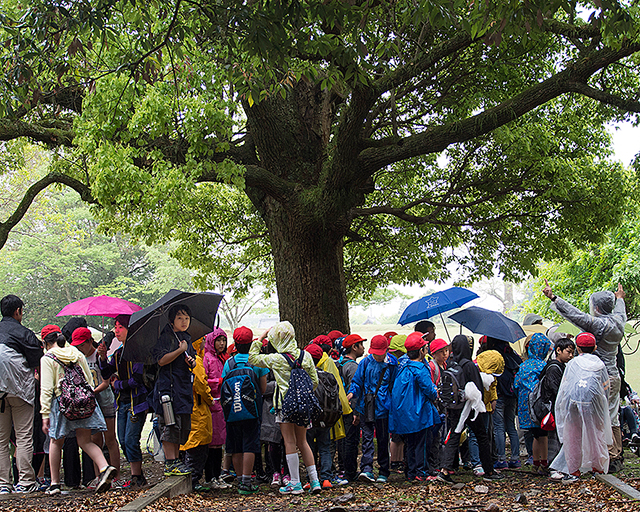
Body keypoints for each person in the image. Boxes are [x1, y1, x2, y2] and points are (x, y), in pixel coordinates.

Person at [543, 280, 626, 472]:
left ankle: (601, 456)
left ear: (596, 307)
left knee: (596, 418)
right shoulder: (618, 321)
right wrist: (619, 299)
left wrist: (555, 298)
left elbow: (576, 316)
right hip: (613, 375)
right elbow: (620, 310)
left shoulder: (600, 326)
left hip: (596, 377)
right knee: (612, 416)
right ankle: (614, 455)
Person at [40, 326, 116, 494]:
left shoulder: (47, 358)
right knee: (85, 441)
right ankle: (104, 467)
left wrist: (45, 414)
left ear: (46, 343)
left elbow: (46, 389)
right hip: (83, 402)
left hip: (61, 403)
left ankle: (54, 484)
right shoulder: (77, 354)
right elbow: (89, 381)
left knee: (56, 441)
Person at [249, 321, 320, 495]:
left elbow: (252, 358)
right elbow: (315, 381)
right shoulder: (306, 356)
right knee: (303, 442)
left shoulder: (276, 359)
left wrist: (260, 339)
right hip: (303, 406)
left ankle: (295, 482)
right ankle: (315, 480)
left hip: (284, 407)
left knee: (289, 442)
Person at [437, 335, 504, 484]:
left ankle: (445, 470)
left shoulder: (451, 362)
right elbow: (478, 387)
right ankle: (489, 470)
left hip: (455, 406)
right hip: (469, 408)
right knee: (482, 436)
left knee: (454, 436)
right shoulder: (468, 365)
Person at [549, 332, 612, 482]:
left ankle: (573, 469)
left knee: (573, 435)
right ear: (595, 347)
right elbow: (606, 386)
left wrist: (562, 407)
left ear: (577, 347)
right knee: (596, 433)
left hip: (573, 404)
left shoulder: (572, 364)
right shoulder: (600, 364)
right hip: (593, 403)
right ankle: (598, 467)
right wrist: (603, 404)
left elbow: (565, 386)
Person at [98, 314, 149, 487]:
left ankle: (136, 477)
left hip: (137, 403)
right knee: (122, 441)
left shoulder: (139, 352)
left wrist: (117, 384)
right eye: (115, 326)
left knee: (131, 439)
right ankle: (138, 473)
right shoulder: (118, 353)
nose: (117, 330)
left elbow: (137, 379)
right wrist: (103, 358)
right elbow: (106, 373)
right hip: (122, 403)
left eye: (121, 327)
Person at [0, 294, 43, 494]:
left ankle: (3, 484)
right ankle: (26, 481)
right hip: (20, 391)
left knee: (1, 438)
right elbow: (38, 363)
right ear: (18, 311)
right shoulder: (25, 333)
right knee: (24, 436)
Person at [70, 328, 123, 488]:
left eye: (81, 345)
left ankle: (116, 476)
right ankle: (99, 476)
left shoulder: (99, 355)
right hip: (89, 403)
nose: (79, 348)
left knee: (110, 439)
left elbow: (106, 381)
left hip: (104, 399)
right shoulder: (78, 358)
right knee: (95, 439)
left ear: (88, 342)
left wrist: (92, 391)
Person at [222, 326, 268, 494]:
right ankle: (247, 483)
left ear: (235, 343)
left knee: (235, 445)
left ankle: (240, 479)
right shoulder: (257, 361)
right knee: (250, 444)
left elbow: (223, 385)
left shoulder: (229, 363)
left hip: (232, 411)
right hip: (252, 410)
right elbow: (262, 388)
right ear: (251, 343)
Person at [151, 304, 196, 477]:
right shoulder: (166, 338)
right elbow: (161, 360)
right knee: (170, 424)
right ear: (172, 320)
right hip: (168, 390)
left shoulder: (187, 338)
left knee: (181, 426)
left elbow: (193, 360)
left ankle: (177, 459)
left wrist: (191, 361)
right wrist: (179, 351)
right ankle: (170, 462)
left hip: (183, 388)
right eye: (179, 318)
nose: (184, 321)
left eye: (186, 318)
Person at [346, 334, 397, 484]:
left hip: (384, 407)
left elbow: (394, 385)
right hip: (366, 406)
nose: (378, 356)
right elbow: (357, 381)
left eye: (380, 353)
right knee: (367, 438)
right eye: (375, 353)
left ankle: (383, 470)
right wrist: (352, 393)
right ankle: (366, 469)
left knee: (382, 439)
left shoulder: (392, 364)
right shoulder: (366, 363)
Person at [389, 333, 440, 481]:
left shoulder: (403, 367)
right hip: (420, 414)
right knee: (422, 444)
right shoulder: (420, 369)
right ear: (421, 351)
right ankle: (421, 472)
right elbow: (429, 390)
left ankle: (410, 472)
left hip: (405, 415)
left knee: (410, 444)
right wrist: (435, 392)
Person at [304, 343, 351, 488]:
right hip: (326, 418)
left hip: (310, 419)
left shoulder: (305, 377)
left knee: (309, 447)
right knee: (325, 447)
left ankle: (310, 479)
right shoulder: (329, 376)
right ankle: (326, 479)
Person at [514, 333, 553, 474]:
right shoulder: (544, 366)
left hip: (525, 406)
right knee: (544, 435)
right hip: (539, 405)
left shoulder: (523, 366)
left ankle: (535, 461)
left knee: (535, 435)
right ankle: (545, 462)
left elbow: (516, 385)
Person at [180, 336, 214, 492]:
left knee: (185, 447)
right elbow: (201, 384)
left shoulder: (179, 359)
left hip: (185, 409)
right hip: (198, 409)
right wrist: (210, 399)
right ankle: (192, 482)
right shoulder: (196, 361)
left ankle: (186, 482)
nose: (203, 343)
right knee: (198, 449)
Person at [541, 337, 576, 481]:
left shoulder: (559, 366)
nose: (571, 355)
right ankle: (554, 467)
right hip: (554, 407)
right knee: (555, 438)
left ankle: (558, 466)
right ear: (558, 350)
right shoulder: (555, 368)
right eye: (568, 352)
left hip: (558, 407)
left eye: (572, 352)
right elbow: (557, 390)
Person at [486, 336, 522, 469]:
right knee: (511, 426)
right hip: (512, 394)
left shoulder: (493, 354)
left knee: (498, 427)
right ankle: (515, 458)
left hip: (498, 395)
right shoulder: (510, 352)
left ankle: (501, 459)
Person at [202, 327, 231, 488]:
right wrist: (218, 382)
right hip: (212, 404)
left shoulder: (222, 358)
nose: (221, 343)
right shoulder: (207, 358)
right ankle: (210, 476)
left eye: (223, 340)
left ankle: (217, 475)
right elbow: (203, 380)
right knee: (211, 442)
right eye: (218, 340)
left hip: (221, 405)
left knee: (219, 442)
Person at [336, 333, 366, 482]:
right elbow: (355, 390)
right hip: (349, 409)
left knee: (342, 439)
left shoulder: (339, 363)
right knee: (351, 440)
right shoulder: (353, 367)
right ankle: (350, 471)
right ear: (354, 347)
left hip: (339, 407)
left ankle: (343, 468)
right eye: (361, 344)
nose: (363, 347)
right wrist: (356, 411)